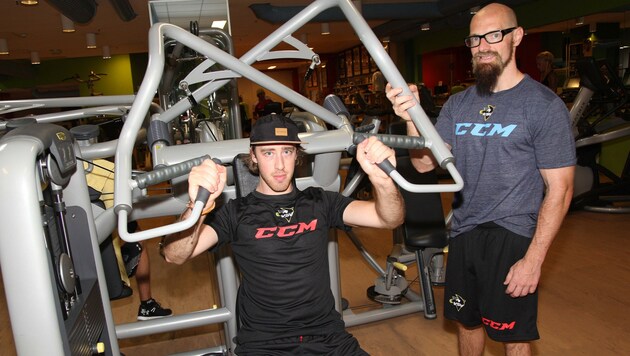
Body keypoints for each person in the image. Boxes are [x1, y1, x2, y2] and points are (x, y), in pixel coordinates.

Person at [386, 3, 576, 356]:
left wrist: (533, 260)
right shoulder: (458, 105)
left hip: (512, 233)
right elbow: (426, 165)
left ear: (516, 37)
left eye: (493, 35)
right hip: (463, 231)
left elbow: (561, 190)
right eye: (475, 39)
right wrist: (412, 117)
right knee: (466, 321)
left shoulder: (543, 106)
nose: (483, 46)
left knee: (511, 333)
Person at [161, 114, 404, 354]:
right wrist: (198, 206)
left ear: (297, 155)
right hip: (265, 343)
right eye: (268, 153)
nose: (279, 165)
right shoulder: (235, 213)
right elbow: (175, 255)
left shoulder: (321, 202)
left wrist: (382, 182)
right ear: (253, 156)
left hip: (328, 337)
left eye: (286, 152)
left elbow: (389, 219)